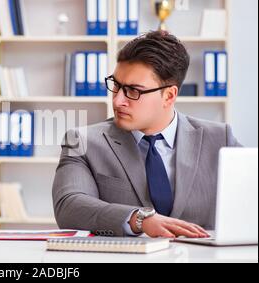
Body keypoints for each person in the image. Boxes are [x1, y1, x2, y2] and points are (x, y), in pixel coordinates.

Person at [53, 31, 241, 238]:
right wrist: (138, 219)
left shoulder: (220, 139)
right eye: (116, 86)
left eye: (134, 91)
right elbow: (69, 205)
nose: (117, 101)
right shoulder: (82, 141)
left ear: (169, 96)